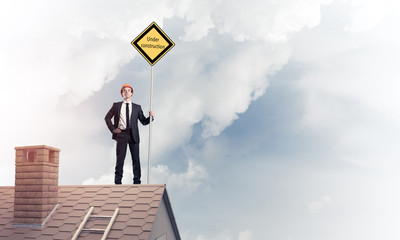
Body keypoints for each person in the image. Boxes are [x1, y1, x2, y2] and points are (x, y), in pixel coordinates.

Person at [105, 83, 154, 184]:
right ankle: (118, 182)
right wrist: (113, 129)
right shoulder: (116, 105)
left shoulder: (137, 107)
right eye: (124, 91)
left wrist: (151, 117)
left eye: (128, 91)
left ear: (131, 93)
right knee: (120, 159)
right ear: (122, 94)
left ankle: (137, 182)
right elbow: (107, 118)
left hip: (133, 135)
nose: (126, 92)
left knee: (136, 159)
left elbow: (144, 121)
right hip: (121, 134)